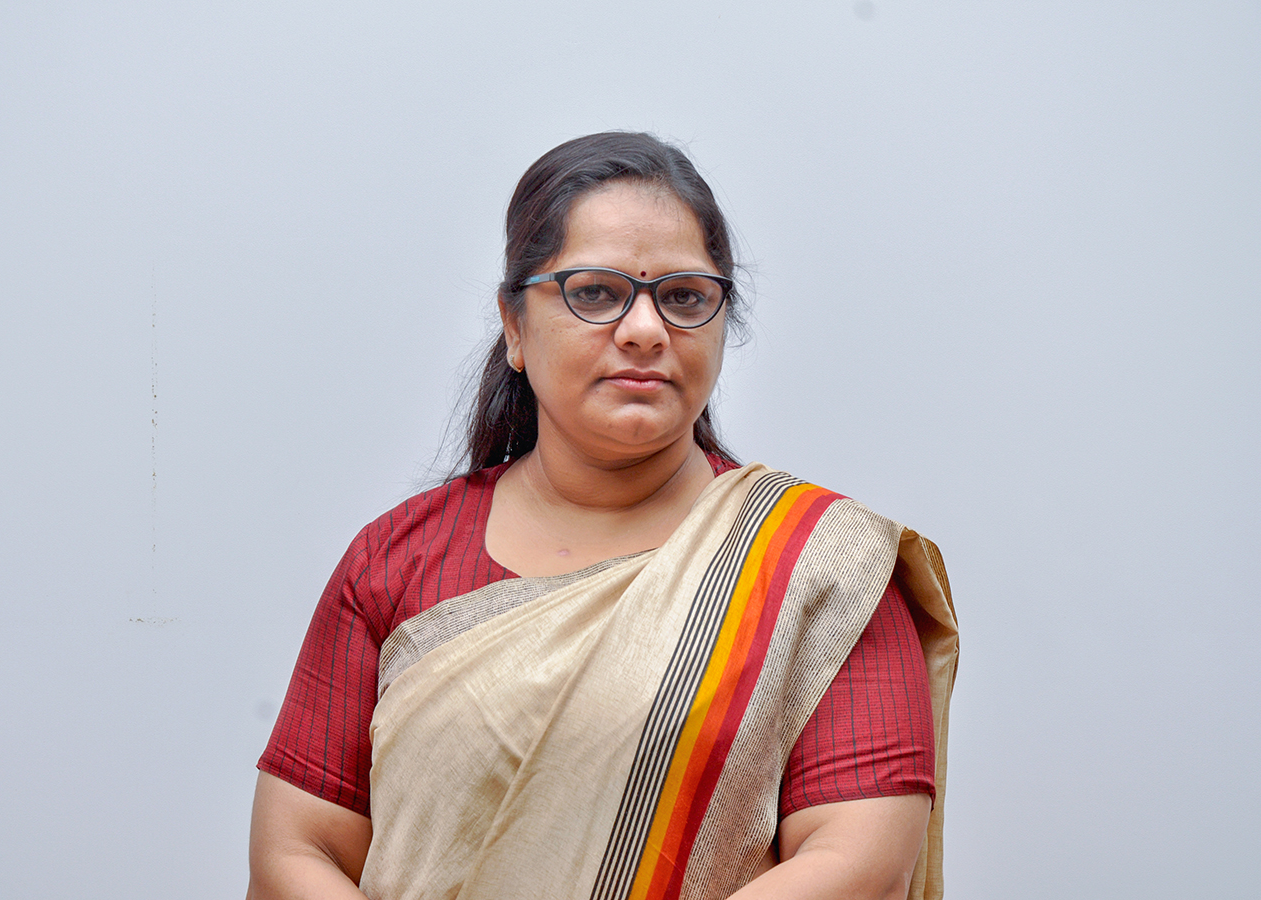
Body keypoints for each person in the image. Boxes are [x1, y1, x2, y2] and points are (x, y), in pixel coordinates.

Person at [247, 132, 959, 900]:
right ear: (514, 325)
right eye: (593, 292)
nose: (645, 330)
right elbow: (296, 851)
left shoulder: (820, 566)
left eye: (684, 297)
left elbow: (859, 865)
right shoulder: (397, 558)